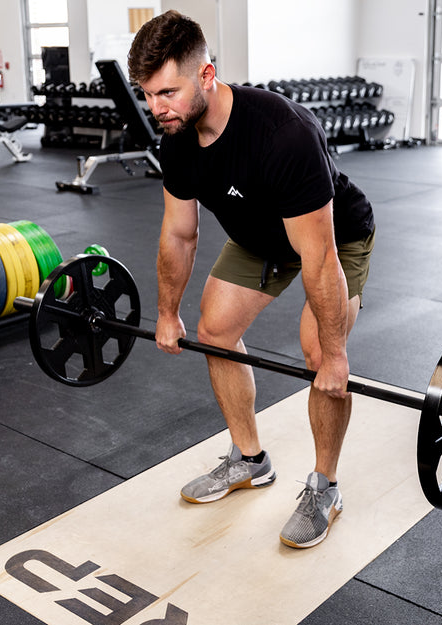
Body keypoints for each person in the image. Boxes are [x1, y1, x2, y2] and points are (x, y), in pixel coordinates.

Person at [128, 10, 375, 549]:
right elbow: (179, 235)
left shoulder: (283, 135)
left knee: (318, 351)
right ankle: (249, 459)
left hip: (332, 237)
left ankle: (324, 487)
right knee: (215, 329)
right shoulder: (176, 139)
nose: (156, 108)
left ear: (207, 75)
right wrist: (167, 312)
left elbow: (319, 254)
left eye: (167, 92)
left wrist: (335, 356)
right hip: (259, 236)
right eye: (147, 94)